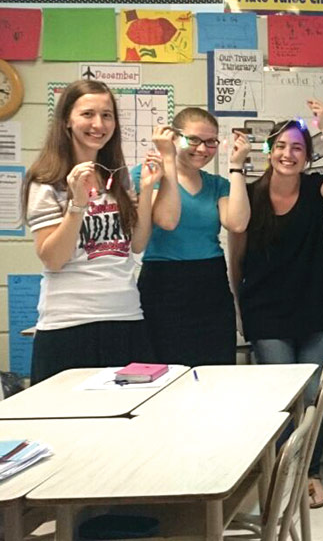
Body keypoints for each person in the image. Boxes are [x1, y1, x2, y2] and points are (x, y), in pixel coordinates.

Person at [229, 99, 323, 509]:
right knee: (282, 396)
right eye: (282, 146)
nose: (289, 154)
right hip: (265, 309)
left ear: (307, 156)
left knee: (312, 394)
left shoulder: (314, 188)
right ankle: (284, 471)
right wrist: (238, 305)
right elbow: (237, 251)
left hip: (317, 303)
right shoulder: (249, 193)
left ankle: (310, 473)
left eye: (298, 148)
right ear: (270, 151)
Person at [23, 80, 162, 383]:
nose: (98, 124)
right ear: (67, 121)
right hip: (69, 324)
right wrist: (77, 204)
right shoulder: (46, 180)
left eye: (107, 115)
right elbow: (53, 259)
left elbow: (136, 245)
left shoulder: (116, 177)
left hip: (125, 317)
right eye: (87, 114)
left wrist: (148, 191)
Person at [130, 107, 251, 367]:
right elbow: (167, 219)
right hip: (163, 285)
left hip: (210, 285)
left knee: (216, 374)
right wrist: (168, 161)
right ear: (174, 138)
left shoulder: (217, 184)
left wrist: (236, 167)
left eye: (211, 142)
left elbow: (238, 223)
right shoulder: (148, 174)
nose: (202, 149)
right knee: (164, 373)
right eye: (193, 140)